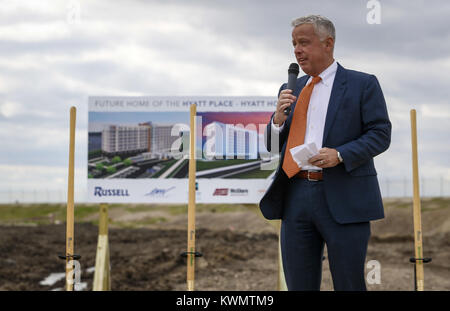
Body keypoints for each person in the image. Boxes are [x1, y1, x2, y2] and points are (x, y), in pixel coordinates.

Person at [259, 15, 391, 291]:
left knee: (349, 284)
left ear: (328, 43)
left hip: (345, 196)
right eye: (294, 43)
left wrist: (340, 154)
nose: (297, 49)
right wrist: (276, 121)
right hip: (295, 196)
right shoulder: (290, 89)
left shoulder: (362, 84)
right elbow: (272, 147)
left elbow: (380, 134)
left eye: (304, 42)